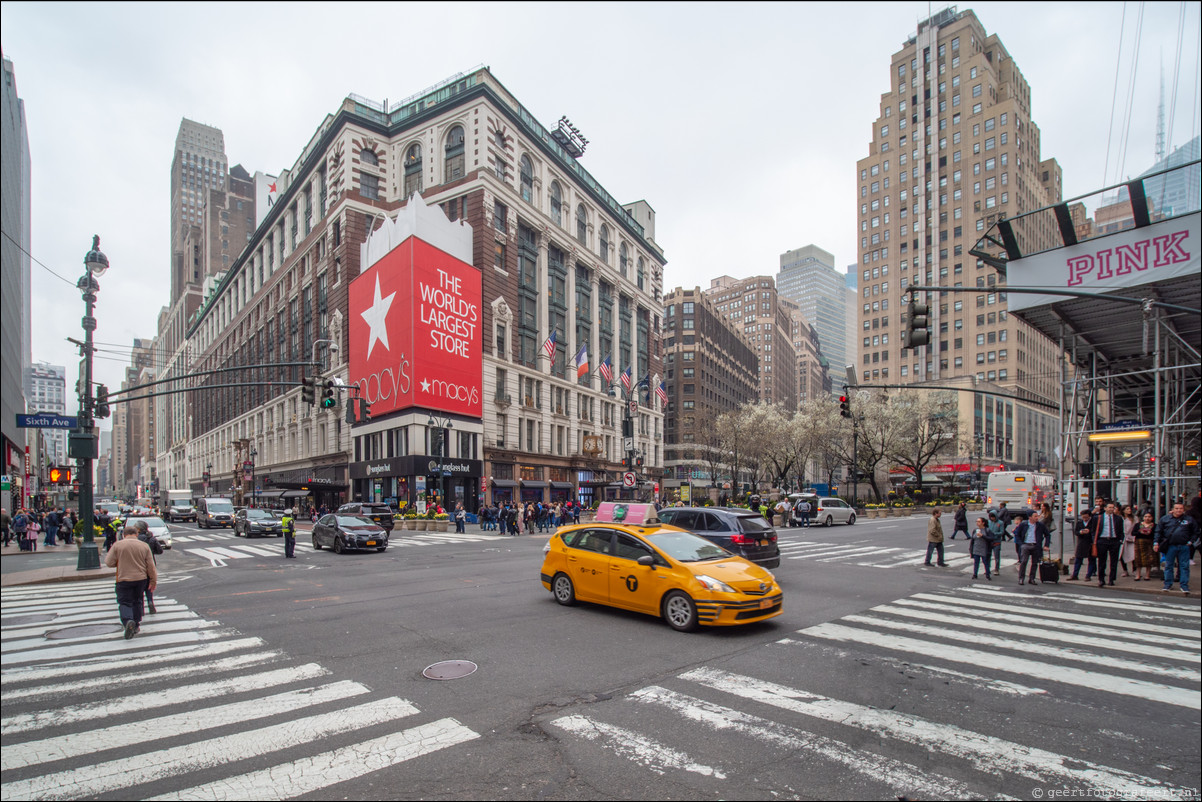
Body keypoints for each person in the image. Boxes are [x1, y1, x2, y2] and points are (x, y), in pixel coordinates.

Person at [105, 524, 157, 639]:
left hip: (123, 578)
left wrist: (119, 562)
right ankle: (136, 624)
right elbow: (151, 566)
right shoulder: (144, 546)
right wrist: (153, 581)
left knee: (124, 602)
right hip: (141, 578)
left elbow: (109, 562)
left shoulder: (117, 545)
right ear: (136, 534)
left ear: (124, 535)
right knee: (138, 600)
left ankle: (128, 620)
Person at [1154, 501, 1198, 595]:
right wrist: (1156, 543)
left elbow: (1196, 531)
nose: (1178, 510)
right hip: (1170, 546)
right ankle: (1168, 584)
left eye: (1181, 508)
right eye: (1177, 508)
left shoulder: (1189, 519)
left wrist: (1191, 541)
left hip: (1184, 546)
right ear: (1173, 509)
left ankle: (1184, 585)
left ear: (1183, 510)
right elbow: (1158, 531)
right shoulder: (1165, 519)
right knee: (1169, 565)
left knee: (1184, 566)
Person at [1092, 501, 1125, 588]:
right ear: (1105, 508)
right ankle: (1101, 579)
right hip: (1102, 540)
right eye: (1109, 507)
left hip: (1114, 541)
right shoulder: (1098, 518)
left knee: (1114, 561)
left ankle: (1111, 579)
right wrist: (1095, 540)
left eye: (1112, 508)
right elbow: (1094, 530)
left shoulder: (1118, 518)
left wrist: (1120, 539)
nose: (1111, 509)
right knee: (1102, 561)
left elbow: (1121, 530)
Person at [134, 519, 163, 614]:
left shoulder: (135, 539)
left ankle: (141, 608)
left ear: (138, 529)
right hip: (150, 564)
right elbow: (160, 550)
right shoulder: (150, 538)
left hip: (138, 565)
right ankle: (150, 601)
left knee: (139, 588)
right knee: (149, 585)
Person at [1014, 512, 1050, 585]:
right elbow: (1017, 534)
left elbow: (1047, 534)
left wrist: (1046, 545)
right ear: (1030, 517)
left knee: (1034, 563)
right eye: (1035, 516)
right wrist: (1021, 544)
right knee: (1024, 561)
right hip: (1026, 545)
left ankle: (1032, 578)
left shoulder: (1040, 525)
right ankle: (1021, 578)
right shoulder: (1024, 524)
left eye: (1037, 516)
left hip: (1036, 545)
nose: (1037, 518)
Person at [1068, 509, 1097, 581]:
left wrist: (1089, 531)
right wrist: (1081, 532)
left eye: (1086, 517)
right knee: (1078, 559)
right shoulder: (1079, 523)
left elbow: (1096, 532)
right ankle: (1075, 574)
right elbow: (1076, 532)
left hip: (1090, 543)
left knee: (1091, 560)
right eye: (1083, 517)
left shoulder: (1093, 523)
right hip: (1081, 543)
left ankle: (1088, 575)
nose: (1085, 519)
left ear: (1089, 516)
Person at [1134, 511, 1157, 581]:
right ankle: (1138, 575)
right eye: (1145, 517)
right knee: (1138, 559)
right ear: (1143, 518)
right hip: (1139, 543)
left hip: (1150, 543)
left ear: (1152, 518)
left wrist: (1149, 532)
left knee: (1149, 559)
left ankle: (1147, 575)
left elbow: (1156, 534)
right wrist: (1140, 532)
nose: (1147, 518)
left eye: (1149, 517)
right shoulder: (1138, 525)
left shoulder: (1155, 525)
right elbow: (1133, 533)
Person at [1119, 504, 1137, 578]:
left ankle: (1135, 570)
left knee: (1133, 555)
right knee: (1122, 555)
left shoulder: (1134, 518)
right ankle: (1125, 570)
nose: (1129, 510)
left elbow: (1137, 527)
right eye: (1127, 509)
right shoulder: (1121, 518)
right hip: (1123, 538)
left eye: (1129, 509)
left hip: (1131, 538)